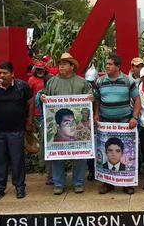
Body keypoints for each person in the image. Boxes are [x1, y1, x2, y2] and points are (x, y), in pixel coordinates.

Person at [36, 53, 92, 195]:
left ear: (72, 66)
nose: (61, 66)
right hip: (59, 128)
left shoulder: (82, 82)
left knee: (79, 154)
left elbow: (91, 98)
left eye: (65, 63)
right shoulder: (52, 82)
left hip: (76, 129)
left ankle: (78, 182)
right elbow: (41, 95)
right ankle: (58, 183)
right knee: (57, 155)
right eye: (60, 63)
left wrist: (91, 98)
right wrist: (41, 97)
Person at [0, 61, 34, 201]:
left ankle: (20, 187)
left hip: (17, 130)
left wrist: (29, 122)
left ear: (12, 74)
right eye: (0, 73)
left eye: (5, 73)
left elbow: (31, 103)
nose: (2, 75)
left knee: (17, 160)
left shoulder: (22, 86)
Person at [93, 55, 140, 195]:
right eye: (106, 64)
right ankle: (107, 183)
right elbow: (97, 99)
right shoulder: (100, 81)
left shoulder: (127, 81)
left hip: (125, 122)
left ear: (118, 66)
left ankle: (127, 183)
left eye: (110, 64)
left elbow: (137, 99)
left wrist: (134, 117)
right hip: (105, 122)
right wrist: (96, 114)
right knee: (107, 151)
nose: (107, 66)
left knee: (124, 152)